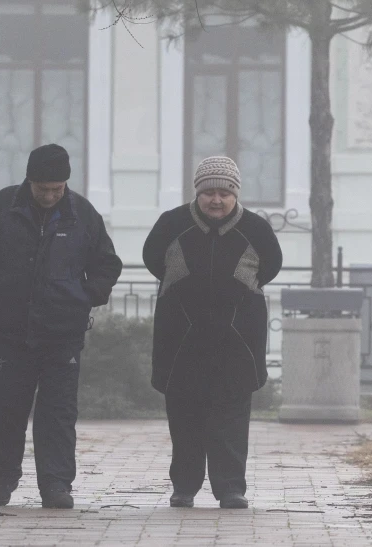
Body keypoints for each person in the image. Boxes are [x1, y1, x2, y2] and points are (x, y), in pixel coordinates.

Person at [0, 143, 122, 509]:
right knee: (5, 410)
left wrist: (85, 295)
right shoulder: (3, 208)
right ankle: (2, 481)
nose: (49, 195)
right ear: (30, 181)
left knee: (58, 414)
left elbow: (107, 264)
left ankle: (56, 486)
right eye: (43, 188)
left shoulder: (82, 214)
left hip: (64, 333)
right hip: (11, 331)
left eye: (57, 189)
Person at [142, 156, 283, 509]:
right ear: (197, 193)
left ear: (236, 194)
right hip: (181, 337)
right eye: (209, 193)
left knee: (231, 418)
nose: (216, 200)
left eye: (224, 193)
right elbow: (153, 258)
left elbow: (270, 266)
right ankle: (184, 487)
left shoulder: (256, 230)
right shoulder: (172, 225)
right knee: (183, 416)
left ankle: (231, 487)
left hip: (237, 339)